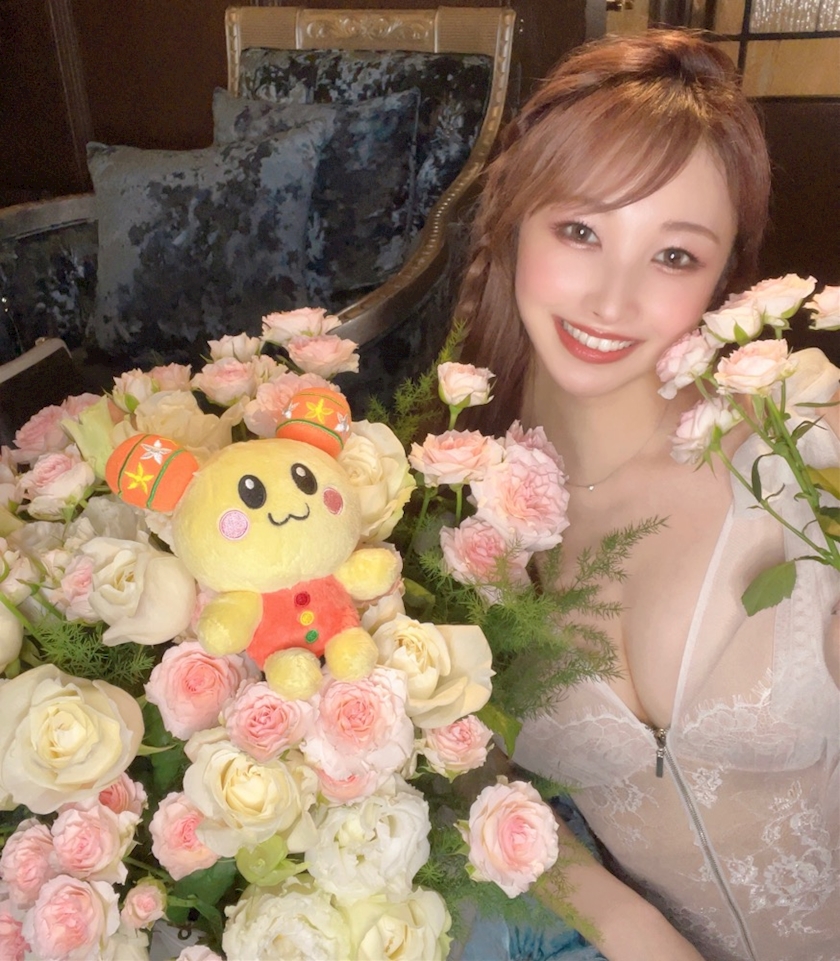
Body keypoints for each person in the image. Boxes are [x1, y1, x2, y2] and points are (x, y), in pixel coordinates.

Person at [456, 28, 840, 961]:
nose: (612, 300)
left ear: (722, 276)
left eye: (674, 256)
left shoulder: (798, 451)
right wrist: (625, 922)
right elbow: (464, 770)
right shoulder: (459, 514)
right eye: (581, 231)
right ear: (514, 219)